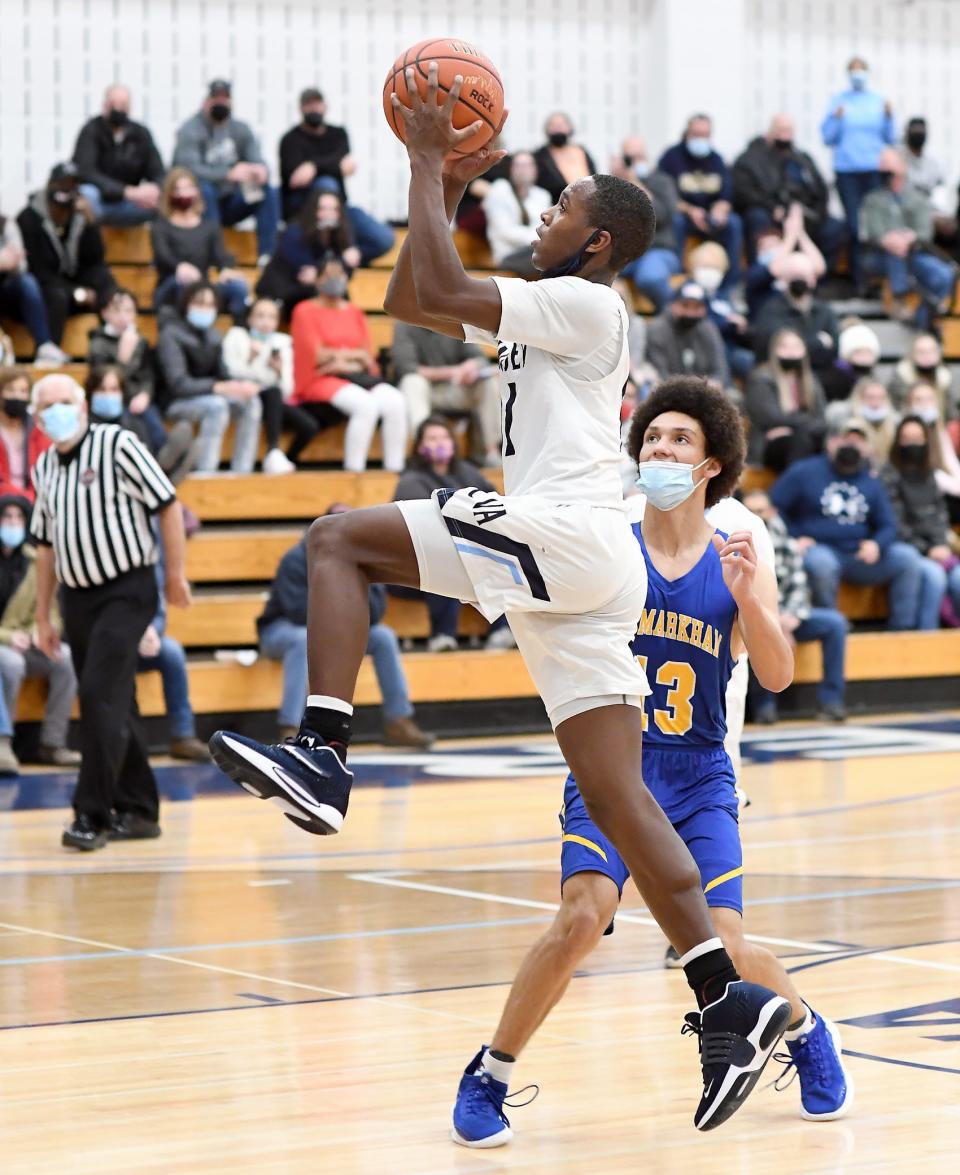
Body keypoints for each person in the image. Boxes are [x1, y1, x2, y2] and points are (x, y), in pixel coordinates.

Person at [210, 66, 792, 1133]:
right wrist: (446, 186)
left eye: (563, 207)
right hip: (586, 565)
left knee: (338, 538)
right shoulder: (549, 306)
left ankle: (324, 754)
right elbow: (409, 295)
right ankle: (727, 1000)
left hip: (567, 533)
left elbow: (438, 282)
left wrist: (433, 162)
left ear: (599, 241)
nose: (547, 214)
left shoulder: (583, 304)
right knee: (621, 795)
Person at [450, 380, 847, 1148]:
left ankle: (804, 1026)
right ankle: (490, 1073)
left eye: (677, 440)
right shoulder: (609, 544)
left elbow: (777, 675)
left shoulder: (738, 551)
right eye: (652, 437)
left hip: (698, 776)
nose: (658, 448)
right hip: (614, 768)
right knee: (581, 914)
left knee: (724, 943)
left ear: (710, 465)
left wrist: (752, 603)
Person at [29, 374, 190, 849]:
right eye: (48, 406)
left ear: (82, 406)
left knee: (98, 693)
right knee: (115, 701)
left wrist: (175, 575)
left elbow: (167, 505)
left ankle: (91, 815)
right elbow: (43, 547)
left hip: (128, 589)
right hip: (76, 600)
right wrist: (43, 615)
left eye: (65, 401)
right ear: (38, 419)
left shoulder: (118, 444)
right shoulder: (43, 468)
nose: (57, 411)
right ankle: (139, 810)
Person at [258, 507, 432, 748]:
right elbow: (298, 612)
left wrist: (350, 606)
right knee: (301, 639)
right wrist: (344, 607)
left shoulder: (364, 558)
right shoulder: (296, 559)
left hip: (331, 630)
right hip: (280, 629)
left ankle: (398, 720)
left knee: (383, 636)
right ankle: (291, 726)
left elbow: (378, 611)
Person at [771, 416, 923, 631]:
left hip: (859, 554)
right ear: (831, 442)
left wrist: (877, 544)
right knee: (821, 563)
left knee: (907, 558)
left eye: (858, 440)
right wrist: (793, 537)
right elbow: (773, 508)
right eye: (846, 438)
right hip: (820, 550)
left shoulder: (871, 481)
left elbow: (888, 524)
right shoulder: (804, 472)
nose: (851, 445)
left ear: (867, 448)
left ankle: (902, 631)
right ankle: (834, 628)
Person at [390, 417, 514, 652]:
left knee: (498, 559)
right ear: (420, 446)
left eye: (444, 437)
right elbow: (426, 526)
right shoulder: (410, 480)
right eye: (432, 438)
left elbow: (493, 504)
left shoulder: (467, 472)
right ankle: (442, 636)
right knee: (446, 561)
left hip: (471, 554)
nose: (440, 443)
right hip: (414, 565)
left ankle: (502, 630)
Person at [290, 255, 406, 472]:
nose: (335, 279)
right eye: (329, 275)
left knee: (396, 401)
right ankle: (354, 471)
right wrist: (352, 357)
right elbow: (317, 356)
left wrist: (341, 359)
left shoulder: (354, 312)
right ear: (318, 279)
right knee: (365, 405)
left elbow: (367, 356)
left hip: (356, 376)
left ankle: (395, 470)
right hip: (320, 379)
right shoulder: (304, 310)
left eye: (340, 274)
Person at [741, 488, 849, 722]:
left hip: (789, 618)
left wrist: (789, 620)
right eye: (752, 512)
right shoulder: (736, 547)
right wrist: (774, 623)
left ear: (771, 511)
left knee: (835, 624)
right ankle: (764, 707)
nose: (760, 517)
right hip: (753, 620)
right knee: (755, 634)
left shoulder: (788, 545)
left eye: (762, 511)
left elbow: (799, 587)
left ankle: (832, 702)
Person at [0, 492, 81, 765]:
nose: (12, 523)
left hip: (29, 643)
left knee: (65, 658)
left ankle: (52, 743)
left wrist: (42, 631)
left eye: (18, 517)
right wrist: (11, 636)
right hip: (5, 644)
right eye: (6, 517)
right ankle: (4, 744)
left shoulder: (36, 562)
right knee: (10, 664)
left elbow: (53, 614)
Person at [278, 87, 394, 265]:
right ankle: (338, 251)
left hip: (340, 211)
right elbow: (296, 178)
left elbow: (347, 166)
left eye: (317, 103)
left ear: (325, 106)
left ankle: (340, 261)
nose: (313, 109)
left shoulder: (338, 134)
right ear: (301, 108)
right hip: (302, 214)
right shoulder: (290, 140)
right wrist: (334, 166)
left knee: (385, 238)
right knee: (327, 184)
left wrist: (313, 166)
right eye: (308, 104)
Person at [157, 280, 262, 474]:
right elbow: (178, 384)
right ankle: (206, 473)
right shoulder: (170, 334)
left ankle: (242, 472)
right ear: (186, 304)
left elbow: (223, 375)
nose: (205, 309)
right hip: (175, 402)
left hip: (210, 394)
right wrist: (218, 388)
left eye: (210, 305)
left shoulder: (214, 335)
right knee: (217, 406)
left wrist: (240, 386)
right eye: (199, 303)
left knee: (251, 402)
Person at [172, 80, 279, 263]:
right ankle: (217, 256)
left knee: (266, 191)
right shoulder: (190, 129)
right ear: (206, 101)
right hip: (202, 205)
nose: (221, 103)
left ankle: (267, 256)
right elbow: (187, 170)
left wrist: (260, 170)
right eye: (216, 98)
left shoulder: (241, 129)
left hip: (233, 201)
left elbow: (257, 159)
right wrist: (228, 173)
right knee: (205, 189)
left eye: (225, 99)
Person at [16, 162, 116, 349]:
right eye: (62, 184)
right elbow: (38, 270)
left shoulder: (80, 215)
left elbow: (95, 259)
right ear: (50, 184)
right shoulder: (29, 218)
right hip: (46, 291)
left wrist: (91, 222)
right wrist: (76, 292)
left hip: (75, 285)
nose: (66, 190)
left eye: (72, 185)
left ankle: (111, 343)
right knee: (57, 295)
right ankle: (50, 351)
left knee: (106, 281)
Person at [732, 114, 845, 268]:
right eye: (781, 130)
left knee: (834, 227)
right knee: (757, 218)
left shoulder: (802, 158)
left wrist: (817, 212)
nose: (784, 135)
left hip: (805, 212)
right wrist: (773, 208)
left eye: (789, 130)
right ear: (770, 131)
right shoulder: (750, 159)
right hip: (770, 212)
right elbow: (744, 192)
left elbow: (821, 189)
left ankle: (817, 278)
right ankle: (761, 276)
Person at [820, 56, 896, 286]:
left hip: (873, 170)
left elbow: (890, 138)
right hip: (847, 171)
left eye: (861, 69)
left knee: (874, 226)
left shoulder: (878, 101)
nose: (857, 74)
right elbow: (827, 137)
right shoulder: (839, 101)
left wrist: (889, 117)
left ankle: (874, 278)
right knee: (854, 226)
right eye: (853, 70)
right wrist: (836, 118)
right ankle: (857, 279)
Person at [859, 148, 956, 324]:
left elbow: (924, 232)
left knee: (944, 275)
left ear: (902, 167)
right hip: (879, 257)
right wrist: (891, 240)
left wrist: (908, 239)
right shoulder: (873, 199)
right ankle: (899, 298)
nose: (883, 169)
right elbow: (872, 233)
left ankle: (921, 320)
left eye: (888, 164)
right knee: (897, 253)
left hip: (914, 254)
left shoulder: (917, 197)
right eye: (881, 165)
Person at [222, 297, 320, 473]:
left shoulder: (282, 342)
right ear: (250, 318)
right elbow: (230, 372)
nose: (265, 322)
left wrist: (279, 371)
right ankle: (272, 450)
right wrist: (252, 360)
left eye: (271, 317)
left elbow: (287, 390)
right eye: (260, 316)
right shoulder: (237, 336)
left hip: (272, 399)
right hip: (243, 395)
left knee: (309, 425)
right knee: (272, 392)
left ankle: (284, 458)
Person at [882, 415, 960, 629]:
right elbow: (895, 522)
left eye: (918, 438)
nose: (913, 443)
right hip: (907, 549)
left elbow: (940, 515)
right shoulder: (889, 474)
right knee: (934, 578)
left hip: (937, 548)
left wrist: (941, 544)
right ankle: (927, 638)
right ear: (898, 441)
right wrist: (927, 550)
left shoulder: (930, 474)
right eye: (907, 438)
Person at [391, 323, 500, 465]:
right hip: (424, 391)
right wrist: (452, 372)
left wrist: (470, 367)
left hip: (453, 390)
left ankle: (491, 451)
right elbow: (406, 368)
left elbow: (479, 359)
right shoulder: (404, 325)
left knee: (488, 383)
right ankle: (424, 449)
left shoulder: (454, 320)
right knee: (412, 382)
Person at [658, 114, 743, 294]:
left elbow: (727, 194)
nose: (701, 139)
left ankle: (728, 286)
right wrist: (690, 211)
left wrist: (721, 208)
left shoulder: (717, 160)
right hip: (685, 216)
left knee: (734, 223)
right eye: (697, 134)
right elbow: (665, 196)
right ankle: (679, 277)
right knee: (676, 221)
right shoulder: (671, 158)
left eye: (705, 135)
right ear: (687, 133)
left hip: (710, 217)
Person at [136, 555, 210, 761]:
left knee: (172, 651)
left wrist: (152, 630)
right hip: (110, 642)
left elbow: (159, 614)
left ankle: (183, 735)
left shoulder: (150, 565)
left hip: (143, 642)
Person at [150, 168, 249, 321]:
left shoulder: (209, 227)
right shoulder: (160, 226)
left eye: (188, 188)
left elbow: (220, 255)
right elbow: (162, 256)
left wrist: (226, 269)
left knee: (237, 286)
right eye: (178, 189)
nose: (184, 193)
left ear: (196, 191)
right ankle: (182, 327)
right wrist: (179, 267)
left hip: (202, 286)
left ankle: (238, 330)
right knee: (183, 283)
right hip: (171, 285)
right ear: (169, 193)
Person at [86, 365, 196, 485]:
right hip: (112, 483)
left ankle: (160, 486)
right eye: (102, 389)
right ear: (91, 393)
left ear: (122, 392)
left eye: (114, 389)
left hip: (145, 477)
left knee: (192, 444)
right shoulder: (84, 427)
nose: (108, 395)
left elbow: (147, 454)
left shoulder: (134, 422)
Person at [256, 189, 361, 316]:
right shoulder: (294, 233)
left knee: (339, 293)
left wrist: (345, 262)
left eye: (333, 209)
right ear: (313, 210)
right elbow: (306, 274)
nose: (328, 214)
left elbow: (340, 276)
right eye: (322, 209)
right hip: (283, 294)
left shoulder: (340, 239)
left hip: (309, 292)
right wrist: (343, 262)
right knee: (327, 292)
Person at [73, 84, 164, 226]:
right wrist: (125, 191)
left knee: (163, 201)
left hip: (131, 203)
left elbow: (158, 172)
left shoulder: (140, 133)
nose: (117, 109)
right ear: (104, 105)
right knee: (86, 195)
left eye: (123, 105)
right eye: (113, 104)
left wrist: (152, 191)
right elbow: (86, 171)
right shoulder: (91, 130)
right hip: (101, 199)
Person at [610, 135, 682, 311]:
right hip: (623, 253)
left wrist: (634, 182)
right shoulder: (613, 185)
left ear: (647, 157)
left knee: (651, 278)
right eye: (629, 158)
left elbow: (661, 215)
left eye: (639, 157)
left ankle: (674, 315)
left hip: (657, 250)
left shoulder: (661, 181)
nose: (634, 163)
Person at [87, 288, 164, 447]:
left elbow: (147, 375)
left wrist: (145, 394)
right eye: (116, 310)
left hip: (137, 399)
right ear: (105, 313)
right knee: (132, 425)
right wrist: (123, 359)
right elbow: (103, 382)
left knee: (155, 425)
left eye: (129, 311)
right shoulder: (98, 343)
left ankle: (163, 457)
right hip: (113, 401)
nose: (123, 316)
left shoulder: (140, 341)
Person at [744, 328, 826, 470]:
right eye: (784, 347)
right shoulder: (761, 378)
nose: (791, 352)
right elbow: (770, 418)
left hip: (805, 435)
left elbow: (821, 419)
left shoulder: (810, 380)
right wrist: (804, 424)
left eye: (796, 347)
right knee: (800, 441)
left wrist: (794, 428)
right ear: (774, 351)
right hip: (768, 443)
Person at [750, 251, 839, 376]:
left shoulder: (825, 311)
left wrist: (797, 344)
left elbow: (833, 351)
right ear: (783, 280)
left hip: (819, 374)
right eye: (794, 276)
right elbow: (773, 347)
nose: (799, 280)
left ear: (813, 279)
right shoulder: (770, 310)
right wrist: (818, 342)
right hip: (781, 375)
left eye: (803, 276)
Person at [0, 208, 64, 366]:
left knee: (28, 282)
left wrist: (8, 263)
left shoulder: (6, 224)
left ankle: (44, 345)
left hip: (6, 286)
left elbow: (20, 263)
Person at [687, 241, 754, 379]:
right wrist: (727, 323)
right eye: (706, 267)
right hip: (699, 347)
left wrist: (740, 326)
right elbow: (703, 322)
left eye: (716, 268)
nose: (711, 272)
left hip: (728, 347)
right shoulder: (689, 291)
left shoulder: (722, 296)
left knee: (748, 360)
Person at [645, 281, 730, 388]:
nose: (691, 312)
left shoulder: (708, 329)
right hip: (668, 393)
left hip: (704, 393)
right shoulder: (658, 329)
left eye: (697, 307)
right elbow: (660, 372)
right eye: (685, 306)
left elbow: (720, 369)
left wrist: (714, 383)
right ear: (673, 304)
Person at [482, 152, 552, 276]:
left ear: (535, 170)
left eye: (527, 165)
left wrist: (543, 238)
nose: (522, 170)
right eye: (518, 165)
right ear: (511, 169)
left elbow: (545, 229)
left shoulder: (542, 195)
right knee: (554, 253)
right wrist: (539, 238)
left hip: (536, 251)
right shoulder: (499, 189)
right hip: (508, 257)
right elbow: (504, 232)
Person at [902, 382, 960, 514]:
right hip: (918, 492)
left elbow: (951, 462)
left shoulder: (938, 428)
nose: (924, 403)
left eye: (929, 399)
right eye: (918, 399)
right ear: (909, 403)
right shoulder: (907, 429)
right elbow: (925, 471)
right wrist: (957, 488)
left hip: (945, 489)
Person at [0, 368, 51, 500]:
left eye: (23, 391)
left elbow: (46, 473)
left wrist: (31, 498)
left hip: (34, 500)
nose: (17, 396)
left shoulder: (39, 430)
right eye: (10, 390)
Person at [825, 377, 897, 464]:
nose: (876, 404)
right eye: (870, 397)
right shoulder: (845, 424)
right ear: (858, 398)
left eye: (881, 398)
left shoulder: (894, 423)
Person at [532, 113, 596, 205]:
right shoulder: (541, 156)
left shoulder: (581, 151)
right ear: (547, 130)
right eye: (553, 125)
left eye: (562, 124)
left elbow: (593, 177)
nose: (558, 128)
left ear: (570, 128)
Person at [887, 332, 956, 414]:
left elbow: (951, 413)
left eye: (931, 351)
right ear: (912, 354)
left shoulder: (945, 379)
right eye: (921, 352)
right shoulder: (901, 378)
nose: (926, 355)